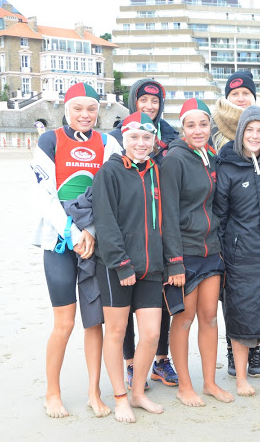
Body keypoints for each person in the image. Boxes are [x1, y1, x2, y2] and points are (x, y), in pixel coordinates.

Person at [30, 82, 122, 418]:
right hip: (59, 243)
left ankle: (94, 393)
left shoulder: (108, 143)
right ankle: (52, 393)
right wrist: (73, 233)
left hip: (93, 242)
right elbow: (45, 196)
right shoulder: (49, 141)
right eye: (78, 108)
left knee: (93, 323)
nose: (85, 115)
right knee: (65, 322)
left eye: (91, 109)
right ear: (66, 110)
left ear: (98, 111)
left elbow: (110, 194)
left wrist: (91, 232)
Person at [211, 70, 260, 377]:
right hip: (238, 243)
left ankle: (257, 356)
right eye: (235, 94)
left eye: (246, 93)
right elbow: (220, 208)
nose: (241, 98)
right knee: (239, 301)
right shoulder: (216, 132)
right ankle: (236, 353)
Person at [93, 111, 165, 422]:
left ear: (153, 140)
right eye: (134, 137)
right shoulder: (109, 172)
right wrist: (121, 263)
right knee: (117, 331)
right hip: (116, 266)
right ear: (124, 139)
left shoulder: (156, 171)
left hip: (151, 266)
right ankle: (120, 396)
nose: (141, 143)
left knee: (151, 333)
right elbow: (105, 221)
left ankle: (137, 393)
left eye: (147, 137)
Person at [161, 98, 234, 406]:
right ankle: (184, 386)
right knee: (184, 319)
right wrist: (174, 261)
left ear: (210, 126)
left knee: (210, 318)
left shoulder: (210, 157)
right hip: (185, 253)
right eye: (191, 125)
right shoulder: (174, 159)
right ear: (183, 129)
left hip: (211, 250)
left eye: (203, 124)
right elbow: (167, 213)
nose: (198, 130)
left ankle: (209, 383)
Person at [110, 79, 179, 390]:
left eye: (155, 101)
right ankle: (130, 362)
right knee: (125, 306)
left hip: (159, 229)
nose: (149, 106)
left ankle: (160, 360)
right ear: (133, 101)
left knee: (161, 300)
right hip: (127, 232)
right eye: (143, 100)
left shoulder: (171, 137)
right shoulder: (116, 137)